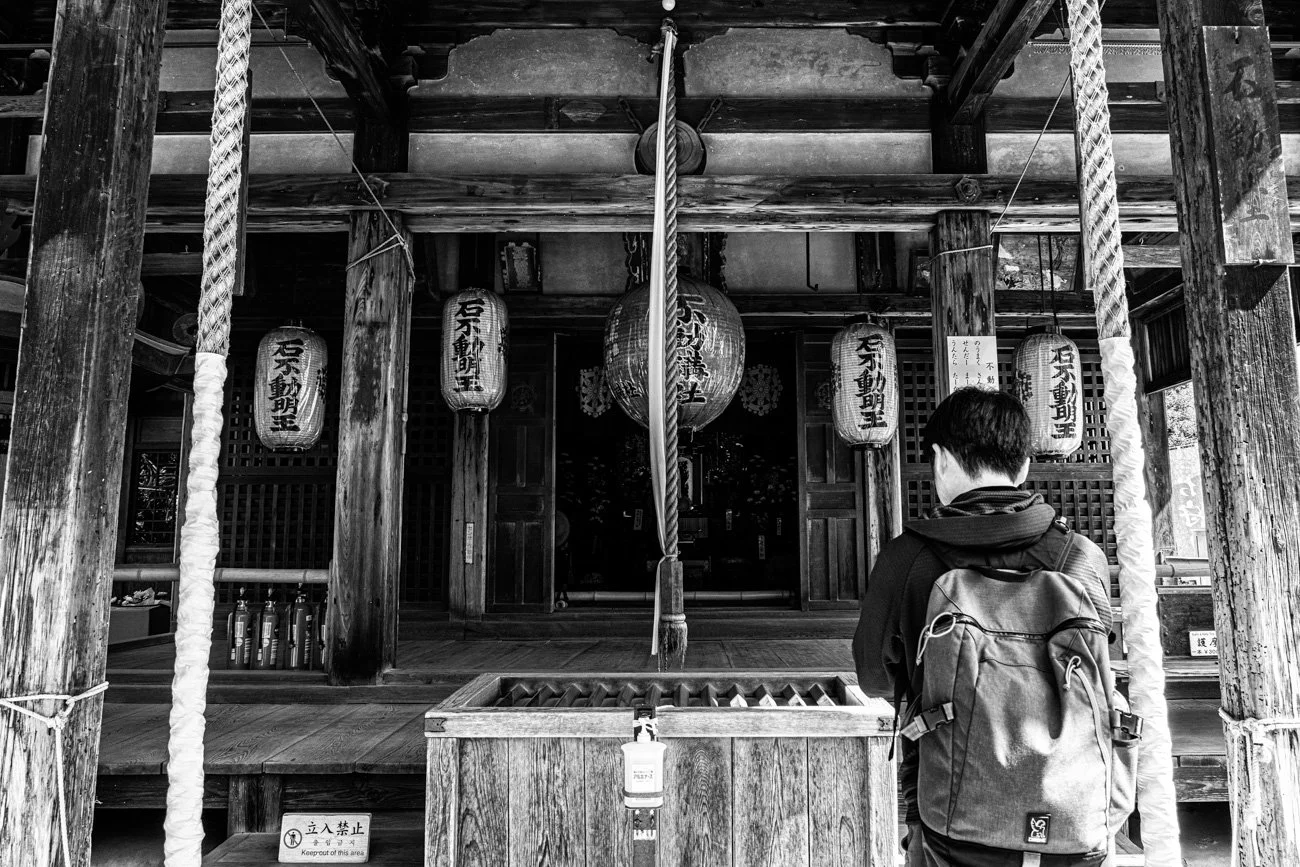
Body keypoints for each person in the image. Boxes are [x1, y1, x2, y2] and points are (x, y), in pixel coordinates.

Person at [853, 387, 1114, 867]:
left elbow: (872, 675)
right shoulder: (1079, 558)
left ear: (941, 460)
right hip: (1073, 809)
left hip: (951, 812)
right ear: (1024, 465)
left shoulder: (907, 559)